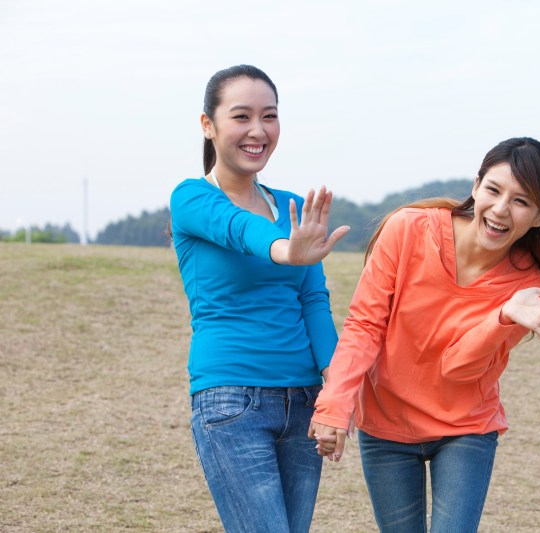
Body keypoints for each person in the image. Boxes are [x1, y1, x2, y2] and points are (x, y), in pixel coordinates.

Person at [309, 137, 540, 532]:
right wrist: (334, 406)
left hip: (465, 429)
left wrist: (504, 317)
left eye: (521, 201)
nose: (500, 209)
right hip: (386, 425)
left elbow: (458, 368)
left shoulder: (530, 287)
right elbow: (365, 325)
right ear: (476, 185)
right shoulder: (408, 228)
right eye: (493, 190)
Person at [169, 64, 349, 533]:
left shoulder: (289, 203)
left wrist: (336, 392)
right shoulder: (191, 198)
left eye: (269, 116)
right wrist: (286, 249)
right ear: (208, 125)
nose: (258, 130)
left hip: (305, 402)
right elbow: (237, 228)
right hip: (231, 402)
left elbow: (314, 301)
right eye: (241, 116)